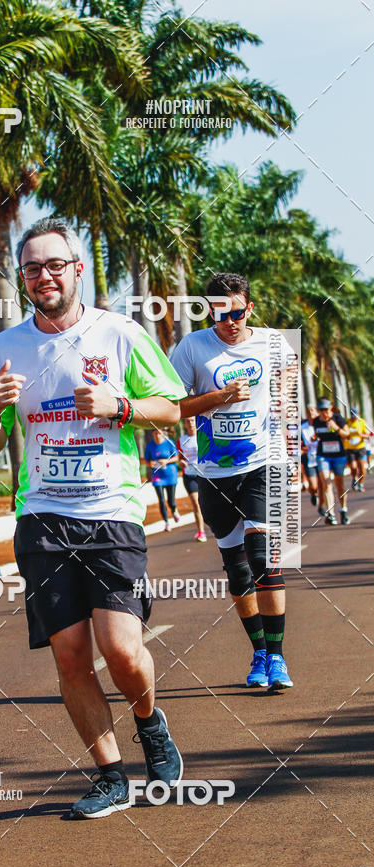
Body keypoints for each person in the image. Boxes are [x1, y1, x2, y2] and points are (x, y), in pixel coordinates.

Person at [0, 217, 187, 820]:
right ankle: (110, 775)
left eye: (54, 265)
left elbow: (169, 408)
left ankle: (149, 720)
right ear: (22, 277)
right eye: (32, 268)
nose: (44, 276)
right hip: (41, 515)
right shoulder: (3, 349)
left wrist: (120, 405)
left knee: (120, 649)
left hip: (111, 512)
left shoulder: (118, 334)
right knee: (69, 656)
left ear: (77, 270)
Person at [171, 272, 296, 691]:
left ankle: (277, 658)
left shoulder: (271, 342)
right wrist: (219, 397)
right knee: (238, 572)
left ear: (250, 309)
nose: (230, 322)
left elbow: (290, 373)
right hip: (214, 473)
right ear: (210, 312)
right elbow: (173, 404)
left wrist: (285, 430)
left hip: (262, 464)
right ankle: (259, 651)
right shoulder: (192, 347)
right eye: (221, 314)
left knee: (263, 558)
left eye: (238, 313)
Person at [312, 398, 350, 524]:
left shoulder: (338, 418)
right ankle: (331, 514)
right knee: (326, 483)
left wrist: (336, 428)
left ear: (331, 408)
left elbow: (347, 434)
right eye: (321, 410)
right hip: (323, 456)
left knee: (339, 485)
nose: (324, 412)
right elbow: (317, 434)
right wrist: (314, 437)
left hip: (338, 455)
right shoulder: (316, 421)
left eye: (326, 410)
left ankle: (343, 510)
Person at [176, 417, 207, 541]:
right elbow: (179, 457)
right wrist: (181, 462)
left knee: (208, 502)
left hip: (204, 475)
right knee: (196, 503)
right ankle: (201, 531)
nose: (190, 424)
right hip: (189, 476)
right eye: (188, 421)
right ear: (184, 424)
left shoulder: (203, 436)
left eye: (192, 421)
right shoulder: (181, 440)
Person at [144, 428, 180, 531]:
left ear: (163, 433)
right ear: (152, 434)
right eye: (155, 434)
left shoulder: (169, 443)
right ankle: (166, 522)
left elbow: (177, 458)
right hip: (157, 476)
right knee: (161, 500)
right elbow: (146, 460)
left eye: (159, 433)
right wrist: (150, 464)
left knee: (171, 501)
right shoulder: (150, 446)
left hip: (170, 475)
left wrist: (166, 461)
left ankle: (174, 510)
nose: (157, 436)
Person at [344, 407, 372, 492]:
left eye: (355, 416)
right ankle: (354, 478)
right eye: (352, 416)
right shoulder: (347, 422)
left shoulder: (362, 422)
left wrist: (361, 435)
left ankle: (361, 483)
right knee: (353, 466)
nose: (354, 418)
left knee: (362, 468)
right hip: (350, 449)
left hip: (360, 448)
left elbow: (368, 435)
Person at [300, 408, 319, 506]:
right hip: (308, 458)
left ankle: (323, 507)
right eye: (309, 412)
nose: (312, 414)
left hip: (321, 457)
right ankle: (313, 494)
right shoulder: (302, 427)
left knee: (323, 484)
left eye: (313, 412)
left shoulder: (321, 424)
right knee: (313, 486)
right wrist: (302, 448)